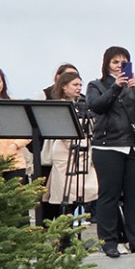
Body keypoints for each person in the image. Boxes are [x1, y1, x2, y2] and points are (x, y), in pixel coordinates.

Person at [87, 46, 135, 257]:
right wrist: (116, 87)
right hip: (108, 146)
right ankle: (108, 241)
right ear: (106, 64)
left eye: (123, 62)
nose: (119, 66)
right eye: (115, 62)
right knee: (109, 195)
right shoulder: (97, 85)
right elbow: (96, 106)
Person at [40, 67, 99, 226]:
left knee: (81, 195)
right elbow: (63, 132)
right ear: (64, 86)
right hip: (65, 155)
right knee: (65, 198)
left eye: (80, 84)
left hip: (83, 154)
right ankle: (63, 236)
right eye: (75, 84)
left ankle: (70, 233)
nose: (79, 88)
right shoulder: (58, 106)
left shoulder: (82, 105)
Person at [0, 66, 34, 175]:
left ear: (3, 84)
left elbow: (28, 130)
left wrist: (15, 145)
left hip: (14, 162)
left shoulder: (14, 104)